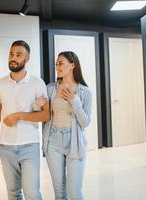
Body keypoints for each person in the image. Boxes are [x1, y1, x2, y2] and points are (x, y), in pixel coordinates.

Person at [0, 40, 49, 200]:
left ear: (27, 59)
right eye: (11, 54)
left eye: (18, 55)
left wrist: (19, 115)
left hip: (29, 145)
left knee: (32, 193)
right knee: (13, 193)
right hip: (6, 147)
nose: (13, 58)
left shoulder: (37, 83)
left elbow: (46, 115)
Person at [35, 51, 92, 200]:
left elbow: (85, 122)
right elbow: (43, 113)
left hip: (75, 143)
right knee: (59, 193)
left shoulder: (85, 92)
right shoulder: (51, 88)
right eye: (56, 64)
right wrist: (39, 105)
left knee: (75, 193)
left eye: (60, 63)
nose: (57, 67)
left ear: (72, 65)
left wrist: (75, 102)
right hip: (52, 141)